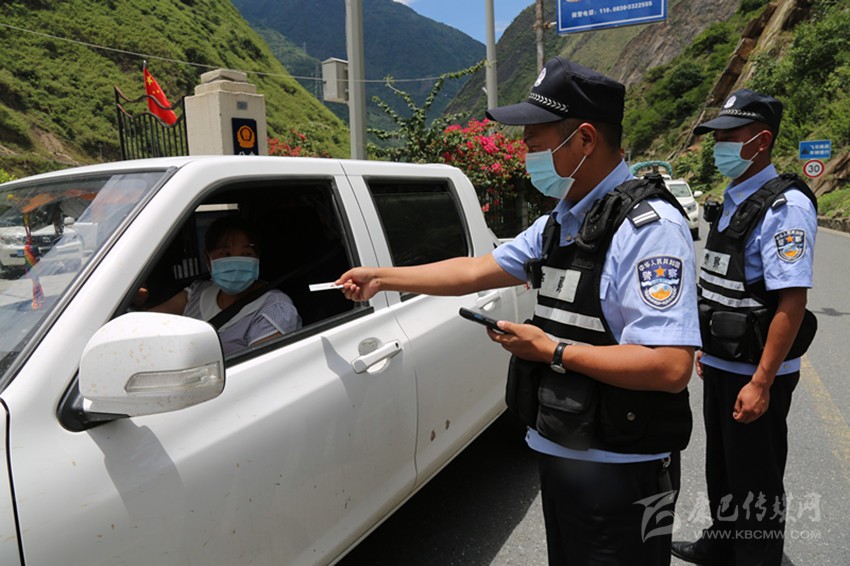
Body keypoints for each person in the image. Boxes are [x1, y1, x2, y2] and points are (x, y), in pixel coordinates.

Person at [335, 57, 701, 565]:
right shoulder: (563, 222)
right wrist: (382, 277)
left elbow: (670, 366)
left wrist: (552, 351)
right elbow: (475, 270)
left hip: (623, 469)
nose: (525, 153)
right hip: (564, 450)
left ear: (585, 140)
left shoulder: (649, 229)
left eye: (534, 141)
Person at [671, 90, 818, 565]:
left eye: (730, 137)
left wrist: (761, 382)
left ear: (761, 141)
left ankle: (758, 557)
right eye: (718, 138)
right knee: (722, 467)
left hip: (756, 370)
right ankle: (722, 544)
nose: (720, 147)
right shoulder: (735, 199)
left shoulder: (785, 207)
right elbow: (720, 285)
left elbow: (792, 302)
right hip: (721, 361)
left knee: (756, 478)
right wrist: (705, 347)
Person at [147, 215, 301, 354]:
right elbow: (150, 321)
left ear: (257, 259)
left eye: (246, 254)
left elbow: (259, 367)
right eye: (226, 254)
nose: (236, 262)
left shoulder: (275, 309)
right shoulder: (198, 292)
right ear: (208, 259)